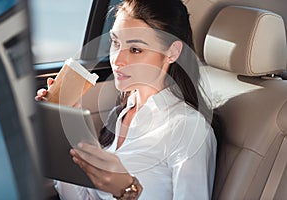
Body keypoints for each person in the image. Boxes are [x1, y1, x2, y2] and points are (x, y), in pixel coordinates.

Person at [36, 0, 217, 199]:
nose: (117, 60)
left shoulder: (189, 130)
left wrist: (128, 190)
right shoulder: (120, 114)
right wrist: (62, 129)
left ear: (172, 52)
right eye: (115, 43)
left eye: (135, 50)